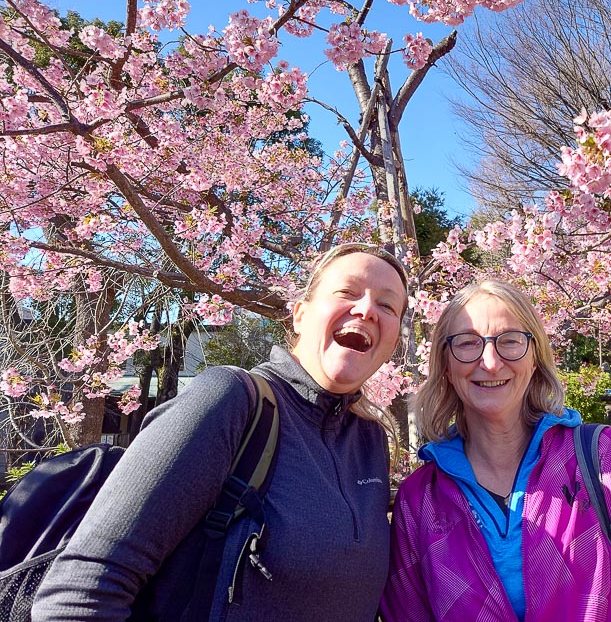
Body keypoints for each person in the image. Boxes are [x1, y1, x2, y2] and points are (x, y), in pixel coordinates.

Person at [33, 243, 408, 622]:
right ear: (299, 314)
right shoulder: (232, 401)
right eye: (346, 292)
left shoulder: (370, 441)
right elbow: (79, 594)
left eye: (388, 306)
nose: (366, 310)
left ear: (394, 342)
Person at [381, 280, 611, 621]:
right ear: (446, 366)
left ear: (535, 358)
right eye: (467, 344)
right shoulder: (420, 500)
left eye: (510, 341)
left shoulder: (603, 459)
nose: (490, 362)